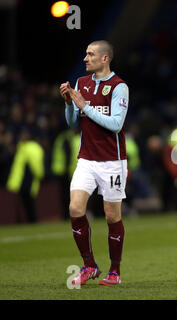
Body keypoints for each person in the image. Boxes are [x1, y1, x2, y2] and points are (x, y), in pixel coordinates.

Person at [59, 40, 129, 286]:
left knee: (112, 217)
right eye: (86, 53)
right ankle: (89, 265)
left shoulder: (119, 87)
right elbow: (73, 123)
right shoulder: (81, 83)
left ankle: (115, 271)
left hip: (113, 162)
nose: (85, 58)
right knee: (75, 209)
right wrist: (69, 104)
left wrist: (85, 106)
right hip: (87, 159)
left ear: (105, 59)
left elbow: (115, 125)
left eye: (90, 54)